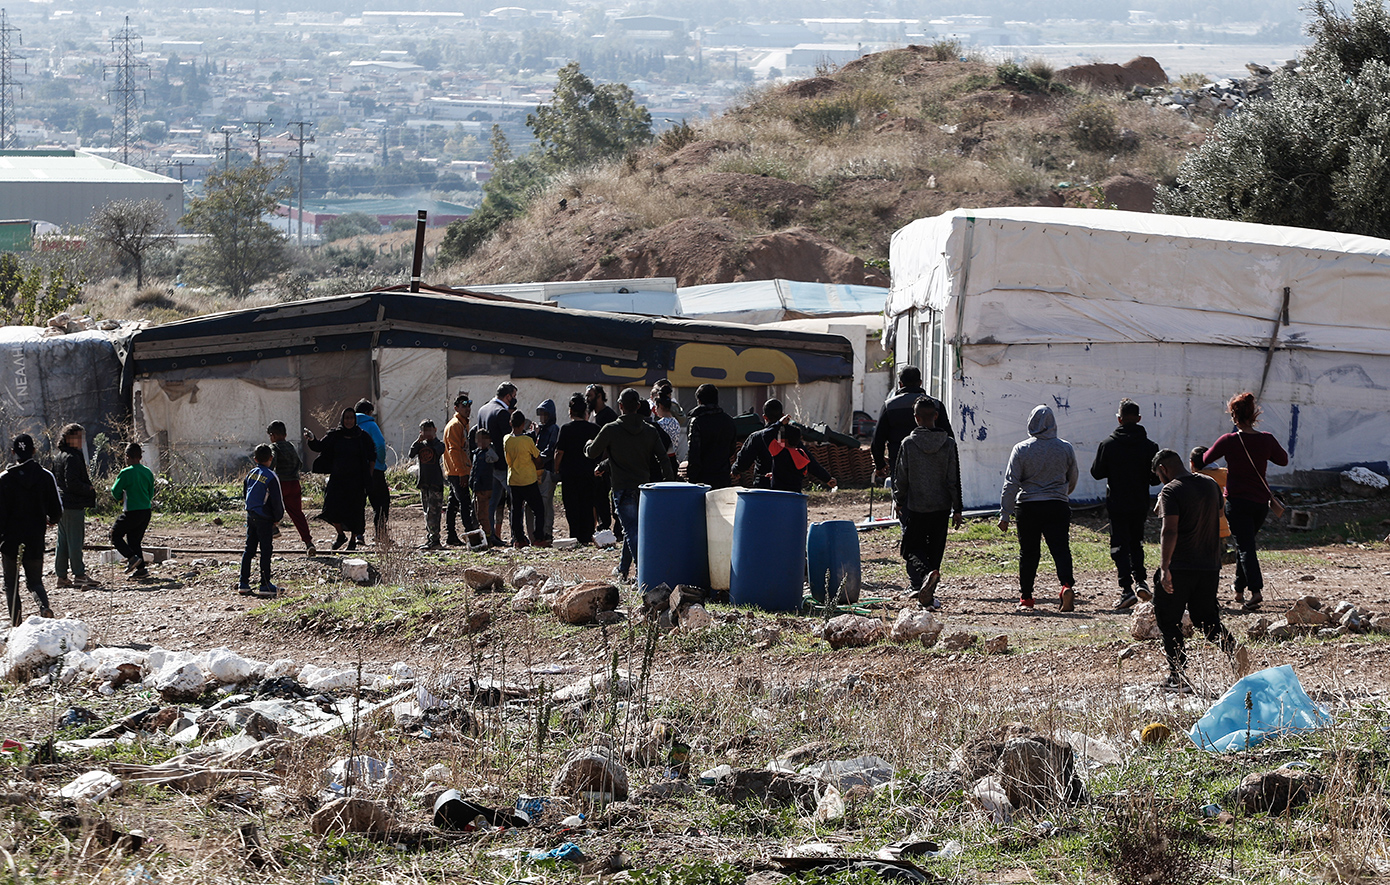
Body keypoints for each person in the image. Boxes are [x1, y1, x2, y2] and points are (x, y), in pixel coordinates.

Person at [1151, 448, 1250, 691]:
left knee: (1168, 619)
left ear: (1163, 470)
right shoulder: (1209, 484)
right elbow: (1215, 513)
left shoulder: (1171, 490)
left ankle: (1177, 676)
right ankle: (1234, 649)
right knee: (1205, 618)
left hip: (1180, 566)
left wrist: (1164, 568)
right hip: (1208, 565)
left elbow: (1169, 530)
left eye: (1158, 476)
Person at [1199, 391, 1289, 612]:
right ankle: (1239, 589)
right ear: (1254, 415)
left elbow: (1204, 460)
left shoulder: (1229, 441)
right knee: (1244, 544)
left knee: (1245, 545)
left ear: (1233, 416)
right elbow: (1283, 460)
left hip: (1237, 502)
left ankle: (1256, 591)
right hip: (1260, 503)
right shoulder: (1266, 439)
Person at [585, 388, 675, 582]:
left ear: (620, 406)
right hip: (644, 489)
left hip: (622, 488)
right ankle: (623, 570)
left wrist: (588, 444)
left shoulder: (611, 429)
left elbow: (592, 452)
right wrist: (670, 484)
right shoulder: (650, 431)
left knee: (632, 530)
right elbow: (664, 459)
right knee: (632, 529)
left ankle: (644, 574)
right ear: (639, 407)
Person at [998, 405, 1079, 611]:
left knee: (1029, 552)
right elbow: (1073, 476)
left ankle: (1026, 597)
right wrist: (1062, 494)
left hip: (1028, 506)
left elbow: (1011, 482)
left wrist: (1005, 513)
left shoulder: (1021, 449)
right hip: (1057, 505)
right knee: (1061, 549)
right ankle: (1066, 586)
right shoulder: (1065, 448)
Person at [892, 398, 963, 610]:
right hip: (941, 507)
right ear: (936, 416)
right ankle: (929, 595)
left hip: (916, 506)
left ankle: (925, 576)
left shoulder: (908, 444)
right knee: (935, 551)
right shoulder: (949, 444)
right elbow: (954, 479)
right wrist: (957, 508)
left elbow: (901, 477)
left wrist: (899, 500)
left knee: (910, 548)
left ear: (916, 418)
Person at [1090, 398, 1160, 610]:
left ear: (1119, 419)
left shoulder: (1108, 445)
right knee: (1137, 542)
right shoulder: (1150, 447)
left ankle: (1126, 589)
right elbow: (1156, 479)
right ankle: (1141, 581)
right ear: (1138, 419)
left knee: (1119, 546)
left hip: (1117, 503)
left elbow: (1096, 473)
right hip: (1139, 503)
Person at [0, 434, 61, 623]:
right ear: (34, 451)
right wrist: (51, 520)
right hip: (34, 538)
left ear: (12, 452)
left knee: (11, 584)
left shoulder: (3, 478)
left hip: (9, 540)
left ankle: (16, 624)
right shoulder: (45, 476)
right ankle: (44, 607)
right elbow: (57, 510)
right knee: (35, 581)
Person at [304, 408, 376, 551]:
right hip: (338, 479)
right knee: (331, 508)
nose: (349, 421)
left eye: (351, 418)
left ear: (355, 420)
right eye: (346, 418)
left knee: (356, 510)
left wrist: (369, 475)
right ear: (342, 419)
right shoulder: (335, 435)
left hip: (357, 481)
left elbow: (372, 456)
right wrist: (312, 439)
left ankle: (353, 541)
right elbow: (319, 446)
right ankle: (340, 535)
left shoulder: (363, 437)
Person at [872, 366, 952, 480]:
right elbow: (948, 436)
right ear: (920, 383)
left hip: (899, 461)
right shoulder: (935, 405)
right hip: (933, 463)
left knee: (902, 495)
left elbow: (877, 440)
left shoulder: (889, 406)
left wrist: (880, 465)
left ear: (900, 384)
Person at [53, 423, 98, 588]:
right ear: (68, 438)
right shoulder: (72, 457)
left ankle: (62, 576)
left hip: (62, 504)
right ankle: (79, 574)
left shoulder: (59, 456)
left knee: (62, 541)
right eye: (78, 437)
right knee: (75, 541)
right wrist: (88, 488)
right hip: (73, 505)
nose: (81, 441)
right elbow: (71, 482)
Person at [238, 444, 285, 597]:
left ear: (255, 459)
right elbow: (277, 500)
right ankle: (265, 584)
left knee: (249, 549)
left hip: (251, 514)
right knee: (266, 550)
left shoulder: (251, 473)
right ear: (271, 458)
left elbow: (245, 492)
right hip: (264, 518)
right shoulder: (271, 476)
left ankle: (243, 583)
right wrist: (277, 518)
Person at [554, 393, 599, 544]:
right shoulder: (594, 429)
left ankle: (575, 536)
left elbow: (559, 453)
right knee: (587, 504)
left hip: (570, 475)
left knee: (572, 506)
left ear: (571, 411)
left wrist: (556, 470)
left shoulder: (566, 429)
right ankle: (587, 536)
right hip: (589, 472)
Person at [267, 421, 315, 556]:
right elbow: (299, 464)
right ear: (285, 434)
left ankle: (273, 528)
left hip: (281, 484)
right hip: (294, 483)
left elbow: (272, 462)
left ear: (273, 435)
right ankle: (308, 542)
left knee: (270, 507)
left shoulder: (274, 447)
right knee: (297, 514)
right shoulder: (291, 446)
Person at [110, 442, 156, 579]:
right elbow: (151, 492)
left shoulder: (126, 472)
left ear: (127, 456)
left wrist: (120, 498)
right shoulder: (147, 472)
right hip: (146, 511)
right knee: (134, 540)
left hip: (132, 512)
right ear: (140, 457)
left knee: (115, 535)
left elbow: (115, 491)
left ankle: (131, 558)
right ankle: (141, 570)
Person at [478, 382, 518, 539]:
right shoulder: (501, 413)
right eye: (513, 396)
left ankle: (489, 536)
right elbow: (510, 439)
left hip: (488, 464)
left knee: (491, 503)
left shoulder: (483, 409)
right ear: (508, 396)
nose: (514, 400)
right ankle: (517, 536)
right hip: (503, 465)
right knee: (516, 501)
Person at [504, 410, 544, 548]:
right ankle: (538, 537)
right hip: (528, 479)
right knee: (538, 509)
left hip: (513, 479)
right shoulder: (528, 441)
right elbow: (538, 458)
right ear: (523, 424)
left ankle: (519, 539)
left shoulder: (506, 439)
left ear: (510, 423)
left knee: (516, 511)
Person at [685, 383, 737, 489]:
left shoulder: (697, 421)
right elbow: (732, 448)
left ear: (699, 401)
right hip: (723, 475)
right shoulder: (728, 420)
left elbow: (694, 452)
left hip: (702, 479)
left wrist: (691, 479)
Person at [443, 392, 477, 546]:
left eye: (469, 405)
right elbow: (454, 451)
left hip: (459, 470)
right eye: (464, 406)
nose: (467, 409)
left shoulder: (463, 423)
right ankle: (470, 535)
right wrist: (462, 473)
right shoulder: (455, 425)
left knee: (453, 503)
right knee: (465, 502)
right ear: (456, 408)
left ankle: (451, 535)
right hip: (457, 472)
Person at [355, 400, 390, 545]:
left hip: (355, 471)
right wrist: (379, 462)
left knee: (358, 503)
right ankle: (380, 534)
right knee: (381, 503)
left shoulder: (350, 425)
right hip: (374, 470)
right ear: (369, 412)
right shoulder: (371, 425)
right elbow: (380, 445)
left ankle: (358, 536)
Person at [409, 420, 447, 550]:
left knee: (434, 512)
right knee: (426, 511)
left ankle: (435, 538)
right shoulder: (420, 445)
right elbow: (411, 454)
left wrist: (430, 440)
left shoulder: (439, 444)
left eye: (429, 430)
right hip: (424, 483)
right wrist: (419, 441)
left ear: (435, 430)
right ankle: (430, 537)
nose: (427, 433)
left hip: (435, 483)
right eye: (425, 431)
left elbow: (438, 451)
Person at [586, 384, 619, 533]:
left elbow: (610, 443)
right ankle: (604, 525)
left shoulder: (608, 416)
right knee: (599, 497)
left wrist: (603, 464)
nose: (587, 399)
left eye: (590, 396)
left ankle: (614, 527)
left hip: (608, 464)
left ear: (599, 396)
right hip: (599, 463)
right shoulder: (595, 415)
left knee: (610, 497)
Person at [768, 422, 836, 493]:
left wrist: (778, 423)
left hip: (778, 495)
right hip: (795, 494)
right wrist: (827, 478)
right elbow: (812, 465)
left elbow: (766, 435)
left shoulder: (779, 452)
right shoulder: (802, 454)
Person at [732, 399, 785, 487]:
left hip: (763, 485)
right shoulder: (791, 436)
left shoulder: (757, 437)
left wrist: (736, 469)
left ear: (765, 417)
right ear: (782, 416)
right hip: (787, 485)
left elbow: (744, 460)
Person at [533, 399, 560, 547]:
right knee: (541, 503)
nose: (542, 417)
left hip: (548, 470)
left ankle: (547, 532)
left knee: (546, 503)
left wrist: (539, 459)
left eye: (545, 414)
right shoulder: (540, 430)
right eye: (541, 414)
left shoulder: (554, 429)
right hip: (539, 470)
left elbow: (550, 449)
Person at [1191, 446, 1231, 544]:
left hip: (1201, 528)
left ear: (1192, 463)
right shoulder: (1227, 475)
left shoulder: (1194, 481)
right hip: (1223, 527)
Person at [470, 430, 502, 547]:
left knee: (484, 514)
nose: (481, 442)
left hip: (485, 488)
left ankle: (488, 538)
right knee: (478, 514)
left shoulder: (488, 453)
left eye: (484, 439)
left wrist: (489, 447)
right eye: (478, 439)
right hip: (477, 487)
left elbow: (495, 458)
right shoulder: (476, 453)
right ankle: (482, 537)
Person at [653, 392, 683, 475]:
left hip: (663, 460)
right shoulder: (676, 422)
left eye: (656, 407)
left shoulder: (659, 424)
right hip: (674, 458)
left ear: (661, 406)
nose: (655, 410)